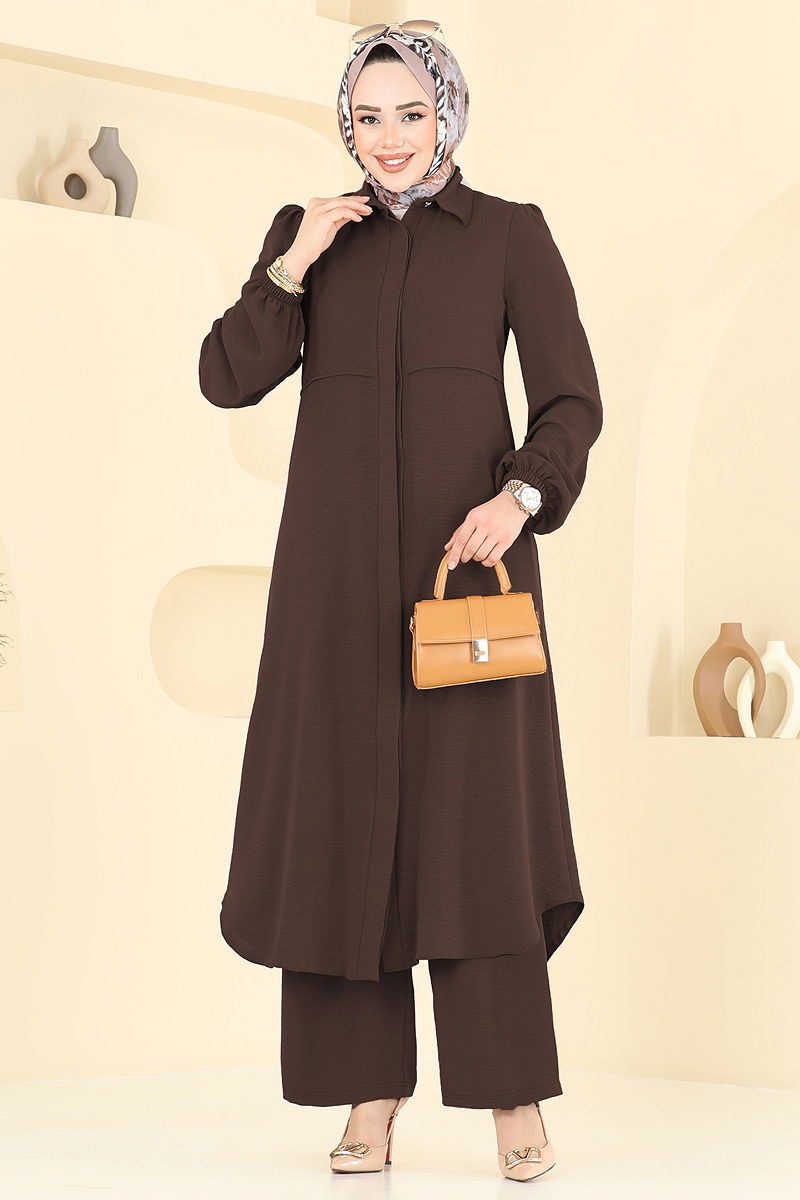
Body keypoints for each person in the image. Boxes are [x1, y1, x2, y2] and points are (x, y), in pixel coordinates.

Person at [198, 20, 603, 1182]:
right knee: (341, 825)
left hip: (463, 578)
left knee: (478, 834)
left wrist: (521, 496)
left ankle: (511, 1096)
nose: (387, 139)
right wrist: (291, 262)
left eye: (409, 114)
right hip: (332, 589)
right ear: (346, 121)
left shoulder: (510, 234)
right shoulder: (311, 233)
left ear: (447, 115)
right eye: (366, 117)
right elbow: (228, 376)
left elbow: (569, 398)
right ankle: (366, 1095)